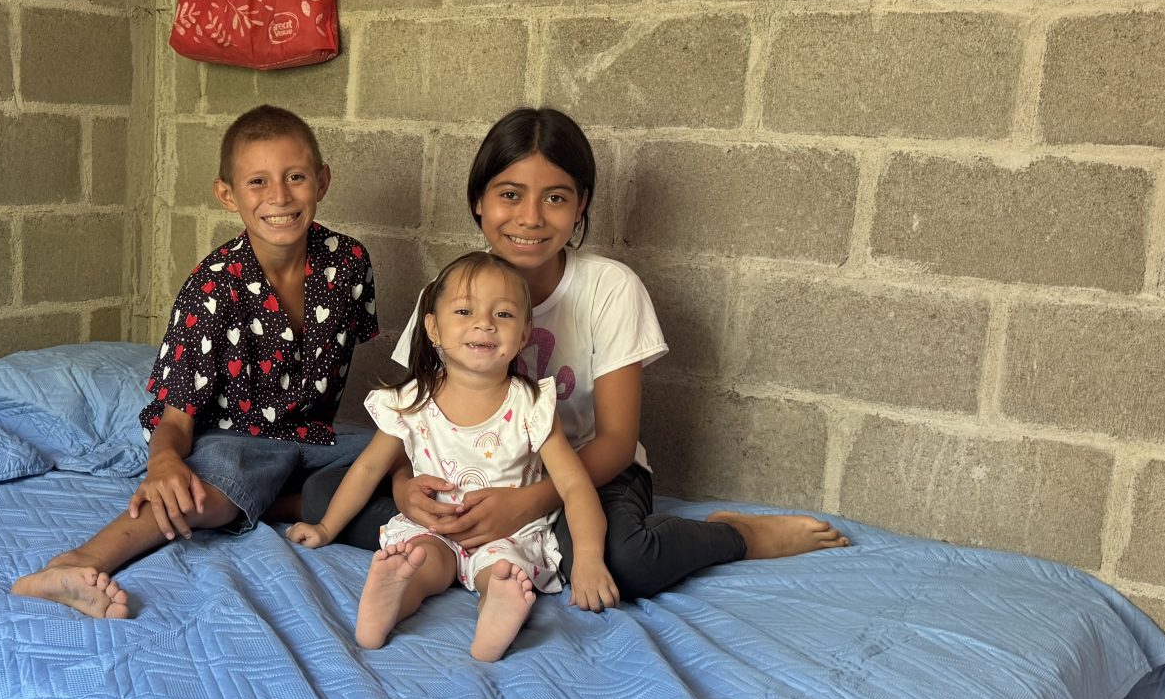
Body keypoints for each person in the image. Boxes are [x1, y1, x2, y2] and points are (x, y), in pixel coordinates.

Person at [299, 105, 845, 601]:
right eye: (509, 194)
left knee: (627, 563)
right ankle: (466, 549)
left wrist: (526, 503)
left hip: (587, 475)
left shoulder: (611, 288)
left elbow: (617, 441)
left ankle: (735, 535)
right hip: (464, 475)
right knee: (325, 494)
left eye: (556, 198)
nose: (530, 217)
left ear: (581, 204)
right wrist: (405, 492)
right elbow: (413, 420)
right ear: (478, 201)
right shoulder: (449, 295)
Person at [12, 106, 377, 617]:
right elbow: (177, 417)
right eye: (257, 181)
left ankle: (276, 499)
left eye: (295, 177)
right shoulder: (213, 287)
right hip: (232, 437)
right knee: (208, 489)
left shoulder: (349, 263)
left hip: (312, 438)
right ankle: (74, 563)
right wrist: (163, 464)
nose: (279, 196)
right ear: (227, 194)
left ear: (322, 181)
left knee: (401, 454)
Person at [289, 251, 616, 661]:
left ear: (524, 334)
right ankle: (391, 599)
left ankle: (498, 606)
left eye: (503, 314)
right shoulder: (411, 399)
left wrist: (588, 560)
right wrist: (325, 528)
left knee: (503, 571)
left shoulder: (532, 405)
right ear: (433, 328)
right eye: (464, 311)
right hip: (433, 527)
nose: (484, 324)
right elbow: (369, 467)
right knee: (421, 560)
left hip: (507, 535)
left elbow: (575, 486)